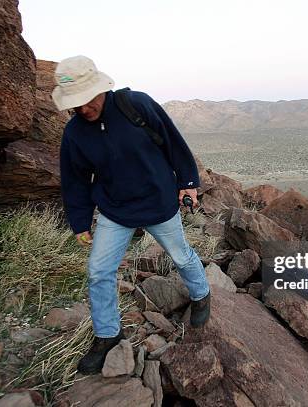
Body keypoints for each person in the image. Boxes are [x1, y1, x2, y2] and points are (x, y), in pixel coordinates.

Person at [51, 55, 210, 375]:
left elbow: (174, 142)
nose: (83, 109)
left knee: (181, 255)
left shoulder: (136, 105)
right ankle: (107, 335)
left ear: (100, 89)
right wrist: (80, 222)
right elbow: (75, 180)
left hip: (159, 203)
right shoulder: (75, 133)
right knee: (98, 271)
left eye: (86, 99)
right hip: (115, 210)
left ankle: (201, 294)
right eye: (75, 104)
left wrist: (188, 183)